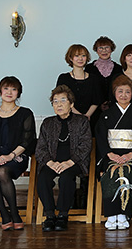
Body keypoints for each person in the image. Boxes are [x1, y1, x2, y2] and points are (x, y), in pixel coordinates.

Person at [0, 76, 36, 230]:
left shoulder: (25, 113)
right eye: (6, 88)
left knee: (3, 172)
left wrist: (10, 156)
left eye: (14, 89)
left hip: (17, 157)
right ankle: (5, 215)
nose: (9, 92)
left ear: (18, 93)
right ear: (0, 91)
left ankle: (15, 213)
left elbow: (27, 141)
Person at [96, 75, 132, 230]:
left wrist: (131, 154)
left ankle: (124, 214)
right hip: (111, 155)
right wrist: (109, 154)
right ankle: (112, 214)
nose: (123, 95)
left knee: (127, 169)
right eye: (120, 91)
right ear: (114, 93)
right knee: (112, 170)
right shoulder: (106, 115)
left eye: (127, 92)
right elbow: (101, 137)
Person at [35, 85, 91, 232]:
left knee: (66, 178)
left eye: (63, 100)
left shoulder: (82, 121)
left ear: (71, 104)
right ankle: (49, 216)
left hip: (74, 162)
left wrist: (69, 162)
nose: (59, 104)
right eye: (55, 101)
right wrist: (51, 163)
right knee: (43, 178)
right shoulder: (48, 123)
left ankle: (62, 215)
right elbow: (40, 148)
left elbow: (85, 146)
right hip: (52, 162)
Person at [56, 44, 103, 124]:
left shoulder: (93, 78)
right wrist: (79, 116)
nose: (80, 59)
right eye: (77, 56)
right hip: (69, 119)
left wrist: (87, 116)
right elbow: (61, 100)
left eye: (83, 56)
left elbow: (96, 101)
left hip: (91, 119)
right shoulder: (63, 78)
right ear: (70, 58)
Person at [85, 36, 123, 113]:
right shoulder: (89, 68)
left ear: (111, 49)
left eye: (107, 47)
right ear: (96, 50)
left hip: (114, 108)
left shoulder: (118, 68)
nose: (104, 51)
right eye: (100, 48)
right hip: (93, 109)